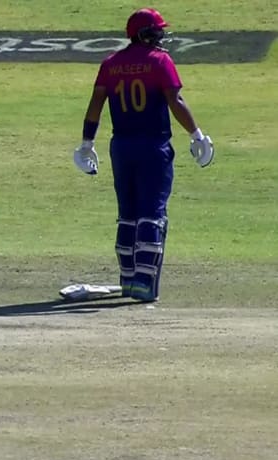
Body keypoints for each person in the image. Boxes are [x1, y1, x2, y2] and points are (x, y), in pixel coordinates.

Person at [73, 7, 214, 302]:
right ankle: (143, 284)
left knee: (128, 215)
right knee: (152, 215)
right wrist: (196, 134)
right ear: (145, 34)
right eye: (157, 30)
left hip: (121, 147)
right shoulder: (160, 61)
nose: (161, 36)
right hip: (153, 146)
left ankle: (127, 279)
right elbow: (175, 100)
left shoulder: (110, 63)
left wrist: (87, 143)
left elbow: (96, 103)